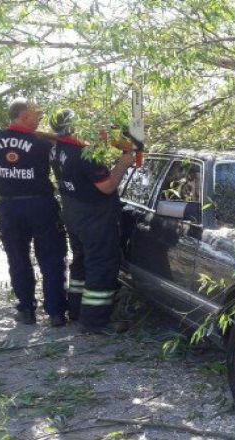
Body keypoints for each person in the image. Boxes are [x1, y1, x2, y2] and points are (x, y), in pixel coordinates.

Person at [49, 109, 136, 334]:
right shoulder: (85, 154)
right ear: (74, 127)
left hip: (73, 210)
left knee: (81, 261)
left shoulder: (57, 148)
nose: (97, 130)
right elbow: (106, 186)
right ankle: (95, 322)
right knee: (101, 265)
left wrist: (112, 141)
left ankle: (76, 310)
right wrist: (123, 163)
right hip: (94, 215)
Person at [0, 98, 67, 327]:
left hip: (9, 207)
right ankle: (56, 313)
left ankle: (26, 309)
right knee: (51, 258)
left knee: (17, 258)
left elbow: (9, 131)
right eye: (36, 114)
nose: (41, 117)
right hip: (40, 205)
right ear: (23, 116)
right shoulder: (42, 144)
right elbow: (57, 144)